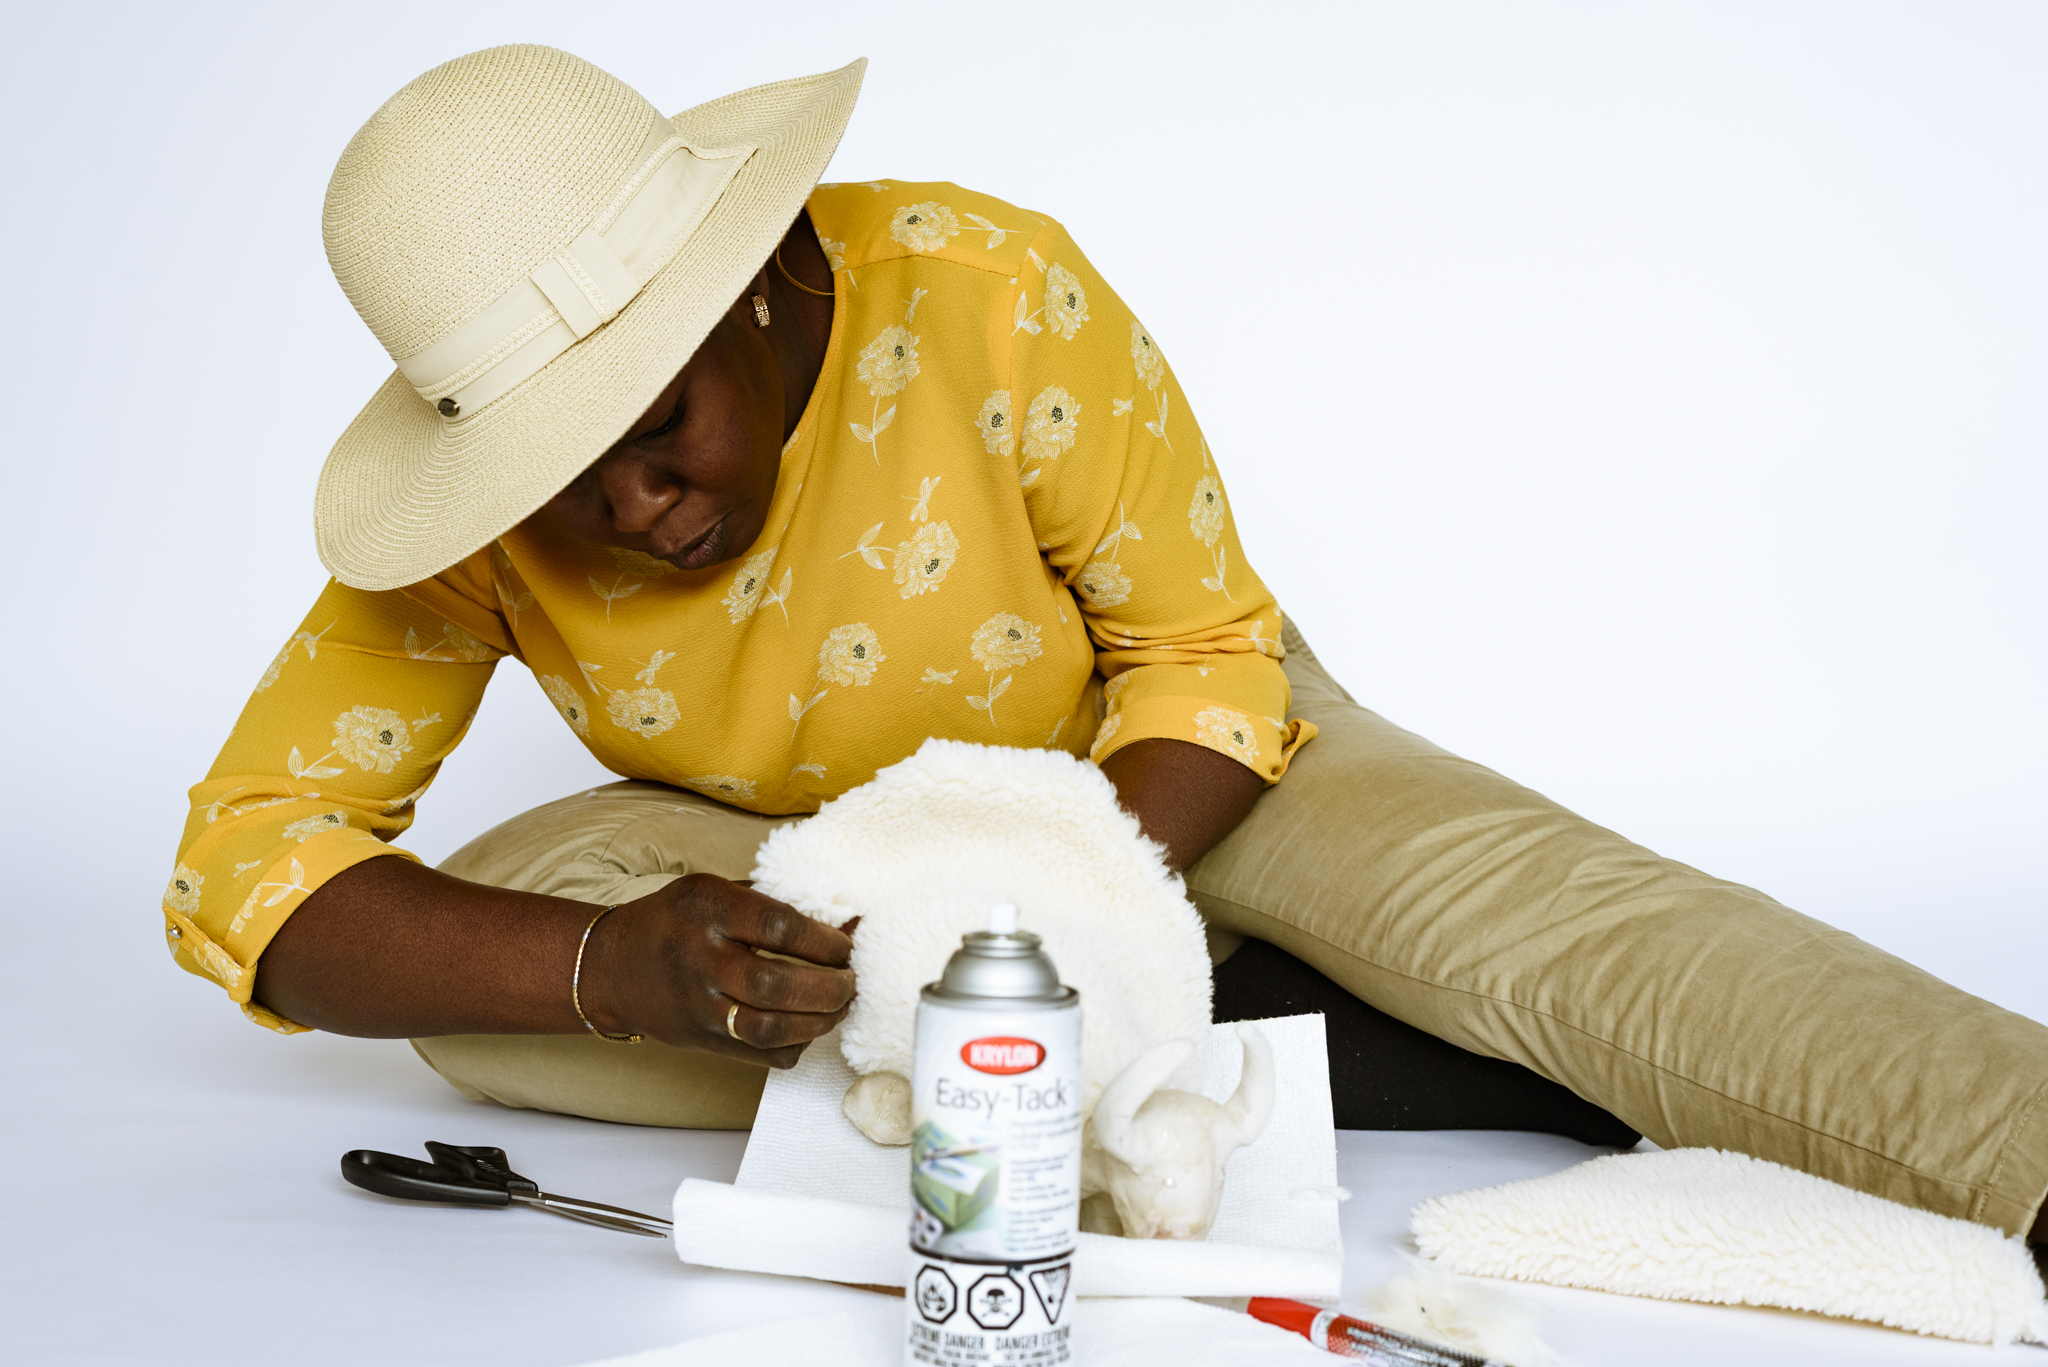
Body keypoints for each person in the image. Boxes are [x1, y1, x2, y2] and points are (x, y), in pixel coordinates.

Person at [165, 46, 2048, 1237]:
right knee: (486, 987)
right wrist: (622, 967)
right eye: (551, 473)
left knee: (1558, 924)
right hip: (842, 859)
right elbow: (248, 864)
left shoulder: (985, 291)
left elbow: (1204, 655)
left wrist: (1050, 902)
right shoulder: (495, 517)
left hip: (1167, 767)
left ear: (758, 284)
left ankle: (1967, 1140)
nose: (625, 511)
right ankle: (1266, 1040)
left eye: (655, 433)